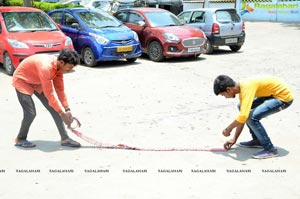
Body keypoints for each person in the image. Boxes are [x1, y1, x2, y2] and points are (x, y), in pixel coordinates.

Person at [12, 48, 81, 148]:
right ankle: (20, 138)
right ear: (62, 62)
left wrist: (67, 109)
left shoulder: (59, 68)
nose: (70, 70)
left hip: (37, 81)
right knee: (30, 113)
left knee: (55, 109)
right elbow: (50, 94)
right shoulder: (46, 67)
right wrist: (62, 114)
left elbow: (60, 90)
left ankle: (65, 139)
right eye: (69, 68)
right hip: (22, 80)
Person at [213, 75, 293, 159]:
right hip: (270, 94)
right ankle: (258, 140)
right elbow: (242, 117)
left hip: (283, 98)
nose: (225, 97)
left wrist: (228, 129)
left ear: (228, 89)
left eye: (223, 94)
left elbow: (244, 116)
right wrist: (234, 139)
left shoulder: (246, 87)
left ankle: (270, 150)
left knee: (252, 118)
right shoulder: (241, 89)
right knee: (241, 107)